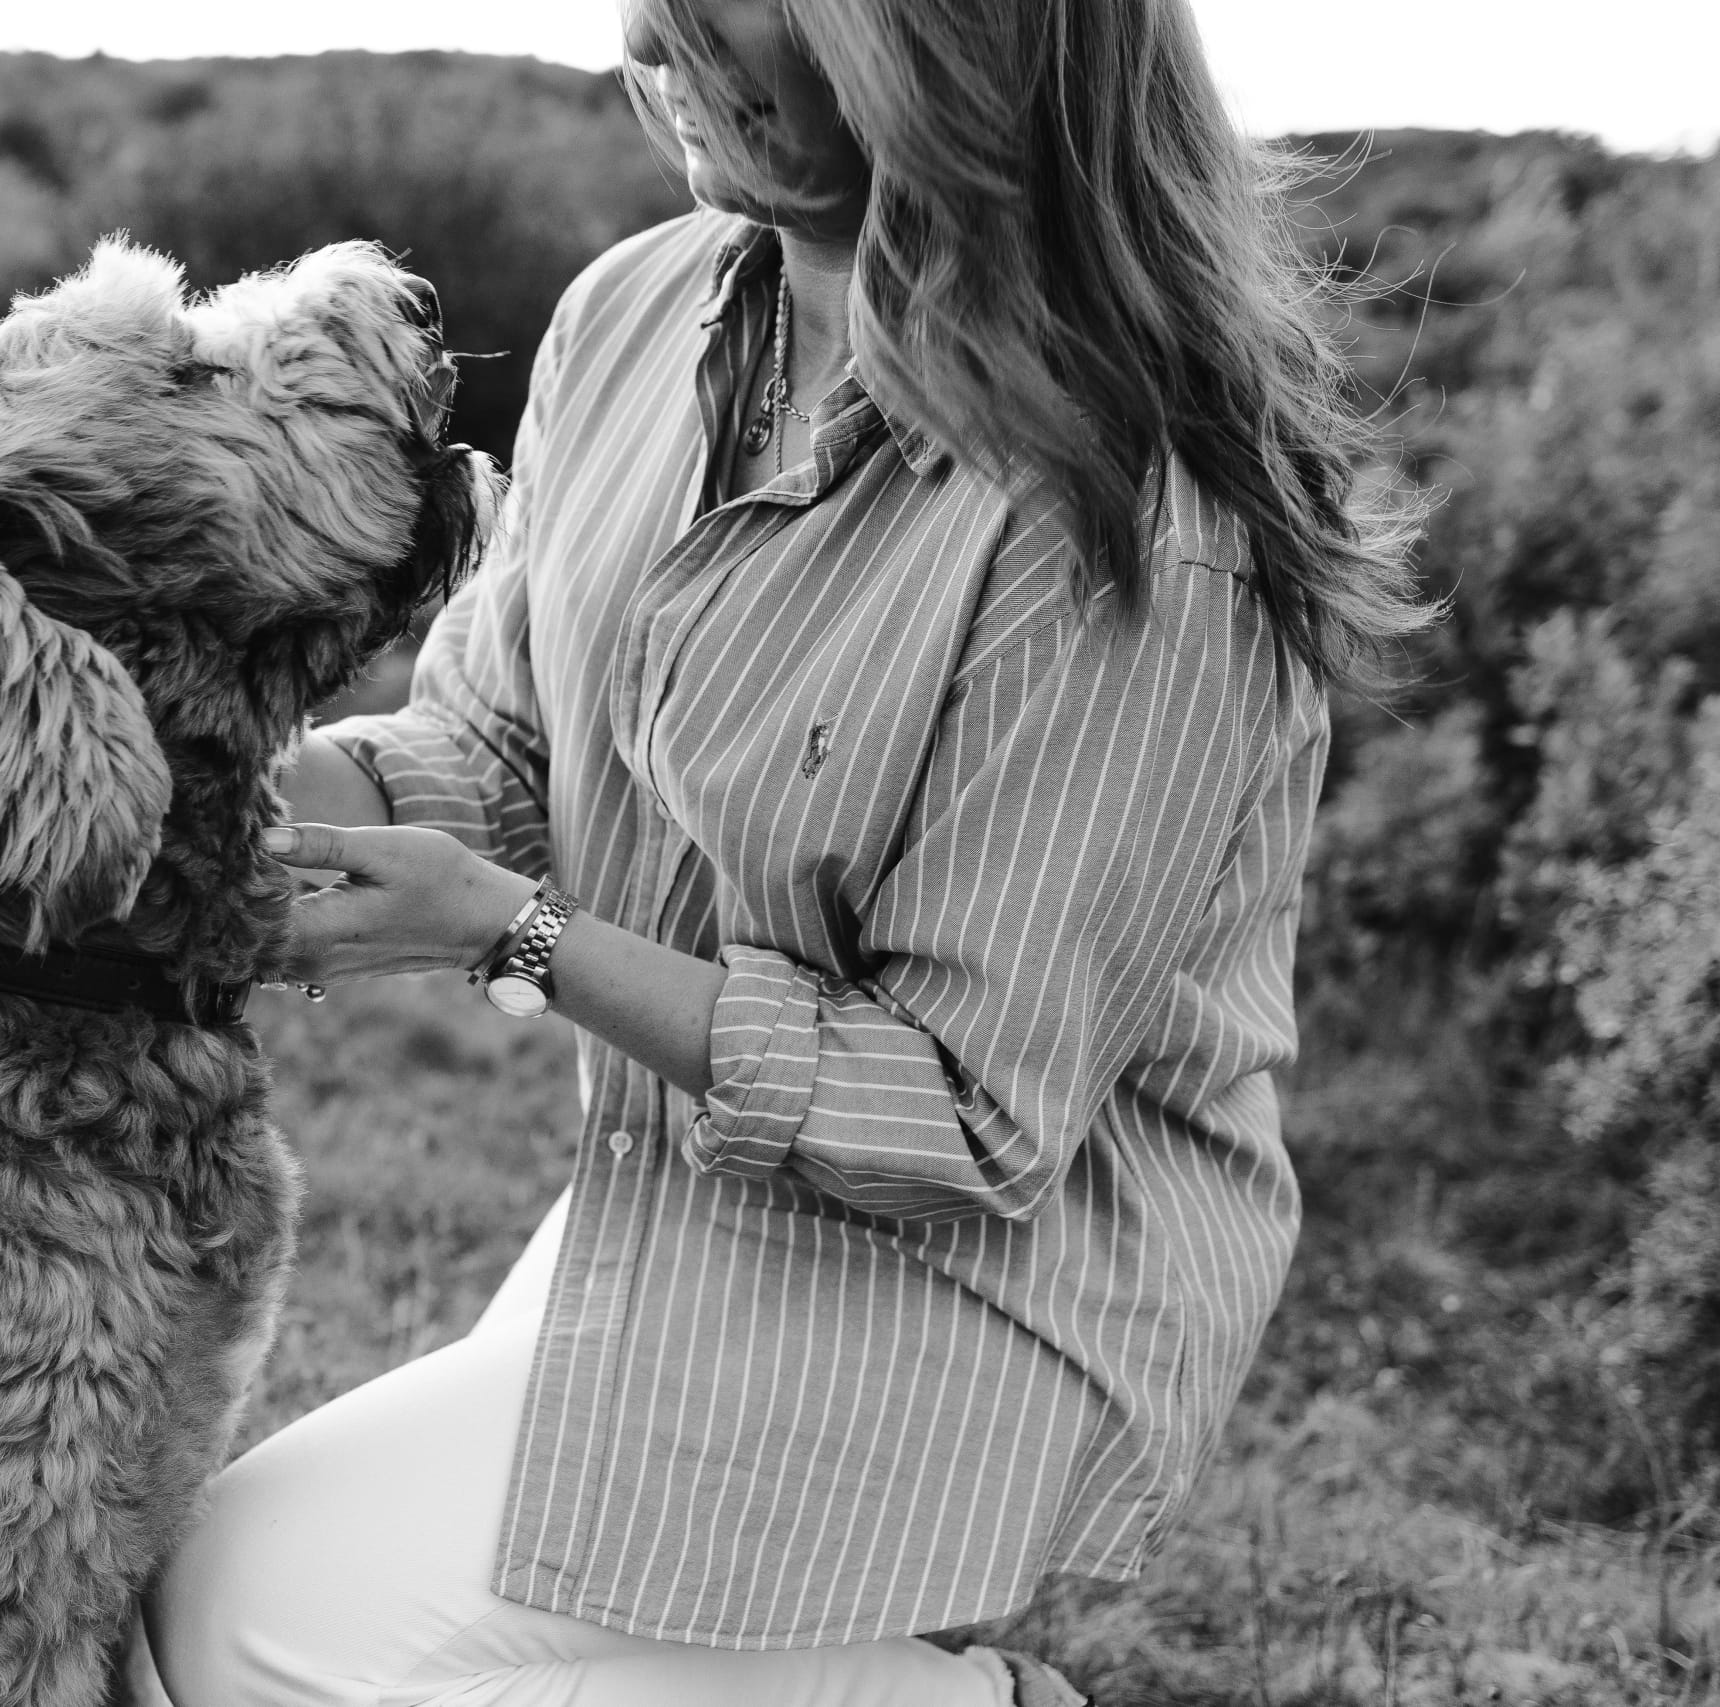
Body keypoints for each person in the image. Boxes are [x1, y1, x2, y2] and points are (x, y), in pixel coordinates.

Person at [140, 0, 1425, 1700]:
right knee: (234, 1612)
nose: (652, 29)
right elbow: (501, 740)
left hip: (990, 1294)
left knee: (250, 1634)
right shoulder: (630, 313)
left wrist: (510, 935)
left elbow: (961, 1114)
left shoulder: (1133, 526)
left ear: (949, 45)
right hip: (696, 1201)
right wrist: (211, 787)